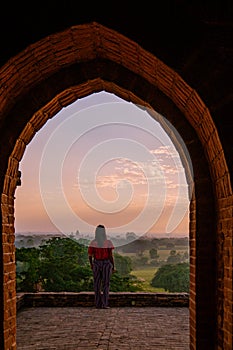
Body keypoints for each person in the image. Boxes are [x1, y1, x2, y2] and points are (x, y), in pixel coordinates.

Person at [88, 224, 115, 309]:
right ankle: (104, 304)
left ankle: (97, 304)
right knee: (106, 284)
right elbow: (110, 256)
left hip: (96, 263)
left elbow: (90, 256)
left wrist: (92, 265)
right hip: (106, 263)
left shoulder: (93, 243)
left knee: (97, 284)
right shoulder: (107, 242)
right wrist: (113, 266)